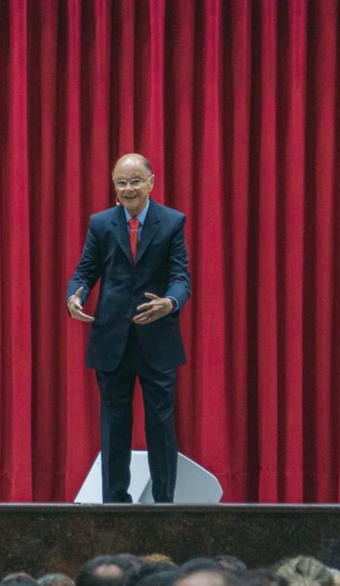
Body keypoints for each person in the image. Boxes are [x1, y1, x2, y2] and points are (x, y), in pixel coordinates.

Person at [66, 153, 191, 503]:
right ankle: (114, 506)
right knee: (114, 426)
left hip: (157, 337)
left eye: (135, 181)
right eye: (121, 183)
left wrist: (170, 302)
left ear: (151, 182)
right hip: (111, 338)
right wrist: (74, 298)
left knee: (161, 427)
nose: (128, 189)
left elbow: (182, 278)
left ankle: (165, 504)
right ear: (114, 188)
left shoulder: (172, 222)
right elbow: (84, 272)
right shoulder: (101, 224)